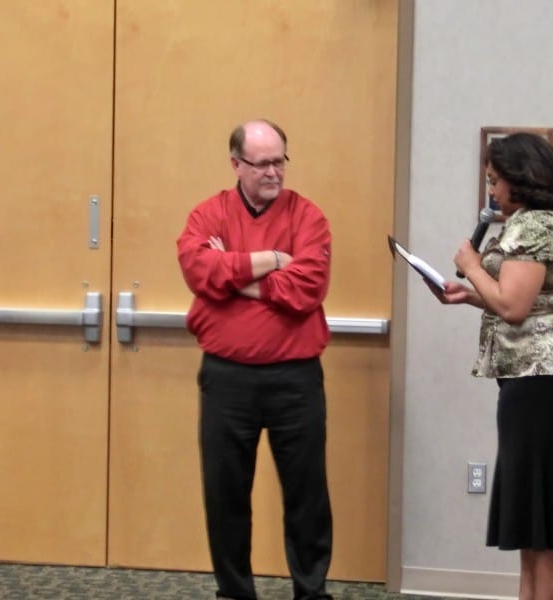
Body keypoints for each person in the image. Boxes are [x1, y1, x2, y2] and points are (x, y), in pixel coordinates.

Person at [431, 133, 553, 600]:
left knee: (552, 515)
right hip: (542, 379)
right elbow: (534, 301)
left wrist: (471, 264)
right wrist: (470, 295)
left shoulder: (535, 226)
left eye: (494, 181)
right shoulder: (548, 220)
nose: (491, 192)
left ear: (520, 180)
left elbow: (513, 306)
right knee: (535, 516)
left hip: (547, 380)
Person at [176, 119, 333, 600]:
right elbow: (199, 270)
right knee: (225, 493)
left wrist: (232, 275)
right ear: (236, 165)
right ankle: (234, 592)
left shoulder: (308, 217)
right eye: (262, 163)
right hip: (227, 379)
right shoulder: (208, 215)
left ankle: (311, 592)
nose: (273, 172)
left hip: (295, 378)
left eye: (279, 161)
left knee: (306, 494)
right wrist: (274, 259)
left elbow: (307, 287)